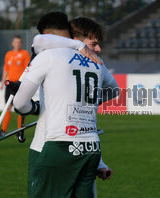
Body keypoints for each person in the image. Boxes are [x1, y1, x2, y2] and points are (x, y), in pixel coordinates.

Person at [13, 13, 119, 198]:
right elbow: (114, 90)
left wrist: (34, 108)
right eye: (93, 44)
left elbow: (19, 104)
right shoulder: (97, 63)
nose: (98, 48)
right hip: (91, 148)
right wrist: (89, 102)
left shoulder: (49, 56)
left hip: (57, 145)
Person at [0, 35, 30, 136]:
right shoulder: (8, 54)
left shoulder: (25, 54)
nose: (17, 44)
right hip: (9, 84)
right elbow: (6, 69)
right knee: (7, 106)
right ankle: (3, 130)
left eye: (19, 42)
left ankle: (19, 131)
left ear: (21, 43)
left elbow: (28, 69)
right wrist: (3, 82)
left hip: (20, 84)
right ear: (12, 43)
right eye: (15, 42)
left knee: (19, 107)